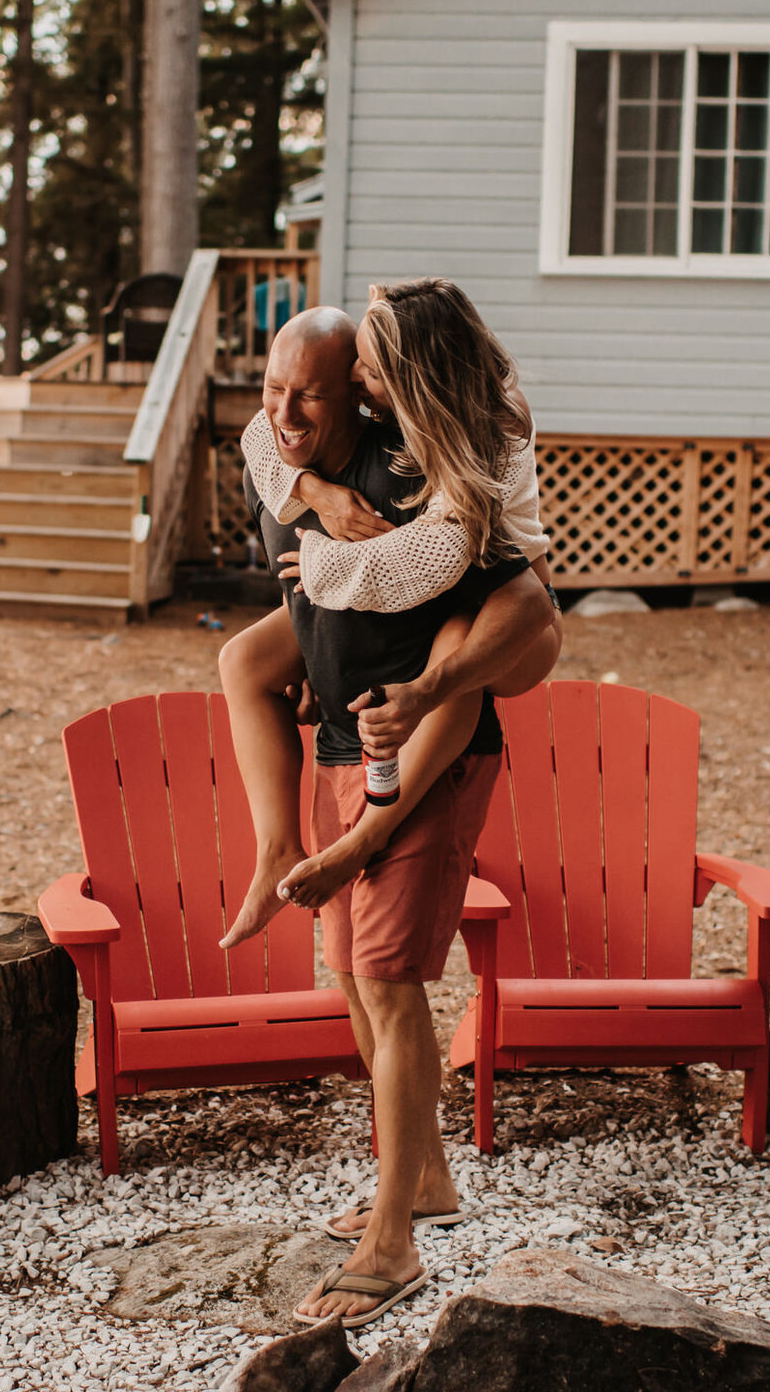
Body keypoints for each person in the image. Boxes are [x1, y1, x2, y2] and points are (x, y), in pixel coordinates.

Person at [223, 301, 555, 1326]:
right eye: (282, 388)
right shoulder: (315, 455)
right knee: (351, 979)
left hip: (422, 763)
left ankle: (393, 1240)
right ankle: (426, 1180)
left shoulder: (432, 485)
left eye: (328, 385)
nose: (290, 410)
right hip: (335, 740)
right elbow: (259, 442)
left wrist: (371, 822)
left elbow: (486, 659)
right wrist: (311, 481)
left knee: (390, 978)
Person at [218, 279, 561, 953]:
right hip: (417, 582)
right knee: (244, 659)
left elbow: (432, 557)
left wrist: (323, 562)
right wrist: (314, 492)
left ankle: (370, 836)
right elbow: (261, 436)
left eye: (367, 372)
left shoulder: (473, 444)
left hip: (516, 621)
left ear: (415, 385)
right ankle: (278, 848)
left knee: (452, 647)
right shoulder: (365, 428)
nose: (354, 377)